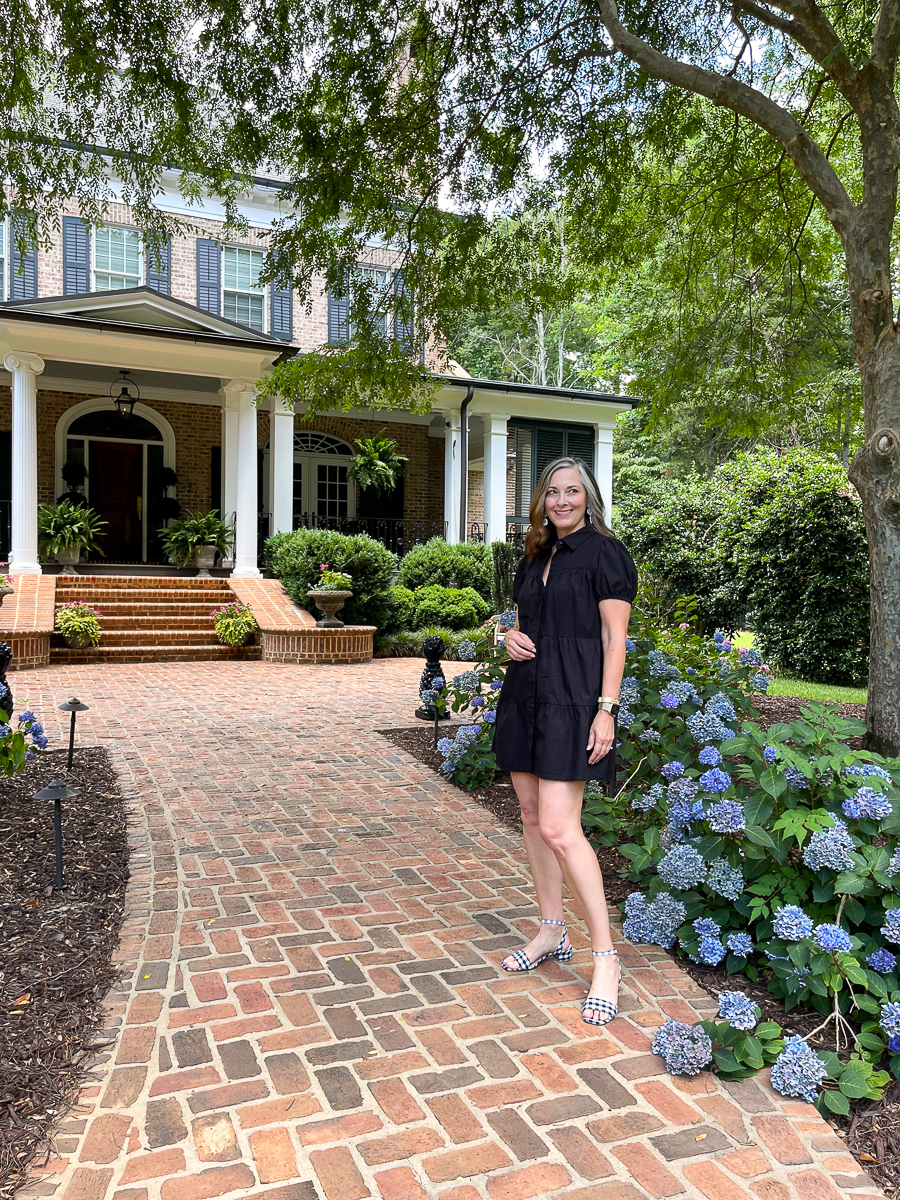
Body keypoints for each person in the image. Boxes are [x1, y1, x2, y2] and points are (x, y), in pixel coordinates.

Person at [492, 456, 637, 1026]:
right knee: (531, 818)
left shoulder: (606, 554)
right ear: (542, 501)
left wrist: (606, 710)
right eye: (552, 492)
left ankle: (606, 959)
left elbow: (614, 638)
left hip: (575, 701)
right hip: (525, 694)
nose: (561, 501)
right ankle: (551, 930)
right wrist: (507, 636)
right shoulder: (534, 554)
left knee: (559, 827)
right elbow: (521, 622)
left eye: (572, 491)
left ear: (588, 497)